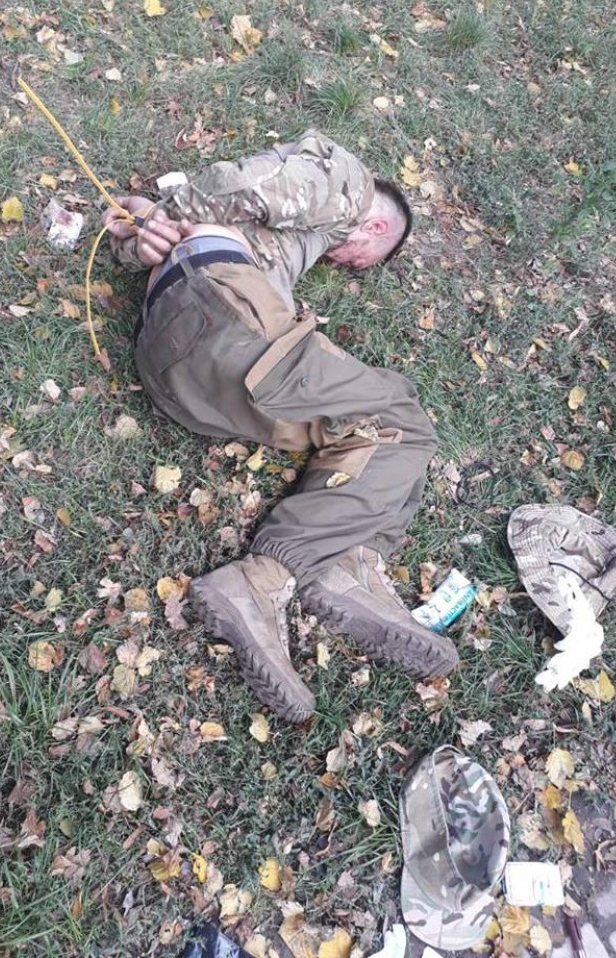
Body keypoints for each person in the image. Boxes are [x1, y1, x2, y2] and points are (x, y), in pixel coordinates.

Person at [103, 131, 458, 722]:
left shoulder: (274, 239)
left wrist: (141, 233)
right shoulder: (348, 184)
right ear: (376, 227)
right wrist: (161, 214)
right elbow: (241, 185)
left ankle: (352, 559)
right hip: (224, 316)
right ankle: (274, 576)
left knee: (365, 436)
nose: (344, 266)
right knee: (399, 416)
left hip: (182, 373)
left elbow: (157, 232)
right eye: (362, 261)